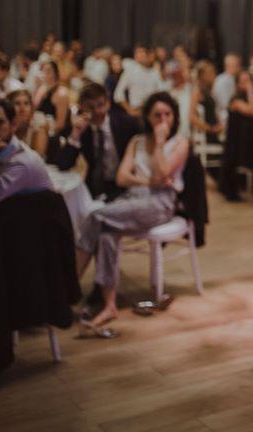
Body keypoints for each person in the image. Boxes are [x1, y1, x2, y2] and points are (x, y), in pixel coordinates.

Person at [75, 92, 189, 335]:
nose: (162, 119)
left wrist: (159, 144)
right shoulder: (137, 141)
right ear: (147, 117)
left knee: (95, 217)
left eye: (167, 114)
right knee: (105, 234)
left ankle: (69, 288)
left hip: (160, 204)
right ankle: (109, 305)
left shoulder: (179, 143)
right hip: (132, 200)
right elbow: (121, 177)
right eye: (157, 115)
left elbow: (164, 172)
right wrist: (151, 180)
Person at [53, 82, 140, 201]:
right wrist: (76, 134)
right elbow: (64, 164)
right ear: (81, 107)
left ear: (108, 104)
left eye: (101, 105)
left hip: (124, 185)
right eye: (90, 107)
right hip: (95, 187)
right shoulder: (81, 129)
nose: (97, 111)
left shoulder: (126, 123)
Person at [219, 70, 253, 202]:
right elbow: (251, 111)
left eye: (249, 81)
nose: (246, 85)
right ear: (238, 84)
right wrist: (251, 92)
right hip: (237, 148)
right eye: (243, 81)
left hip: (248, 144)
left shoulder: (252, 100)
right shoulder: (235, 101)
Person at [113, 45, 165, 115]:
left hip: (152, 111)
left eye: (142, 53)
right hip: (136, 110)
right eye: (137, 53)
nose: (139, 55)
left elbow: (161, 92)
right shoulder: (130, 71)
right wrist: (129, 110)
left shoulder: (155, 73)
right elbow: (118, 94)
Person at [32, 60, 71, 150]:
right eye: (43, 70)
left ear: (55, 73)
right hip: (41, 128)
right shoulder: (42, 88)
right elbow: (34, 109)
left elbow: (60, 124)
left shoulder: (61, 93)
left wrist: (44, 130)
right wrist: (36, 87)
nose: (45, 73)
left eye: (48, 70)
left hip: (55, 135)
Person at [189, 60, 223, 149]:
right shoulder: (197, 92)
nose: (214, 76)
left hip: (215, 132)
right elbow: (192, 117)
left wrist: (220, 125)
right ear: (203, 75)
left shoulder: (210, 92)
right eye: (210, 73)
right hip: (206, 134)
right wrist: (209, 129)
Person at [6, 89, 49, 157]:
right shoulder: (5, 123)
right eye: (17, 103)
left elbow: (38, 157)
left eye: (26, 103)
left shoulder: (38, 120)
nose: (22, 108)